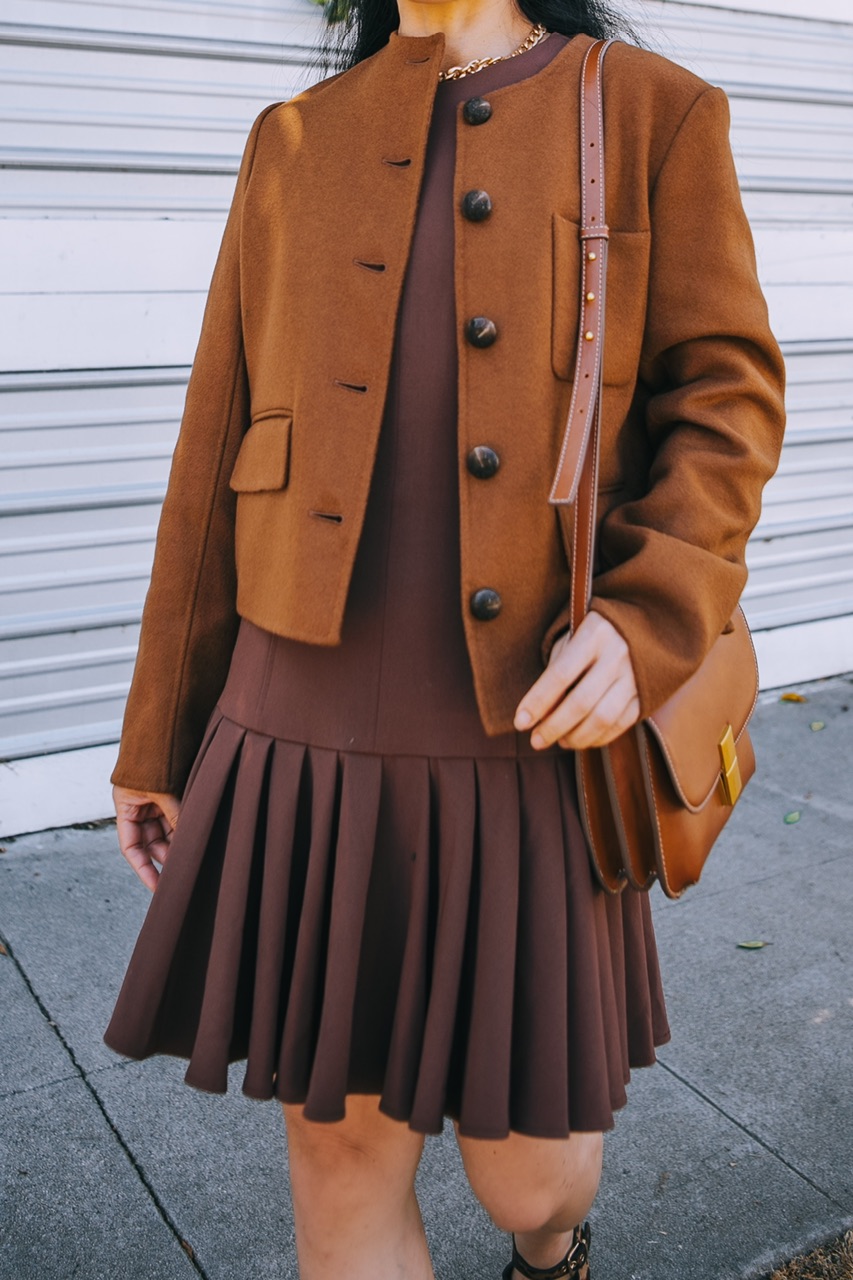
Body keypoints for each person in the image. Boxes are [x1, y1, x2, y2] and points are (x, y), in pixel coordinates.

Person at [102, 0, 786, 1274]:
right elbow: (214, 446)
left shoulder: (648, 110)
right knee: (339, 1149)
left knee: (535, 1175)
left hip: (528, 720)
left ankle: (552, 1252)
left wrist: (647, 622)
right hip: (300, 722)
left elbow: (725, 397)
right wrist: (161, 734)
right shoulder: (293, 136)